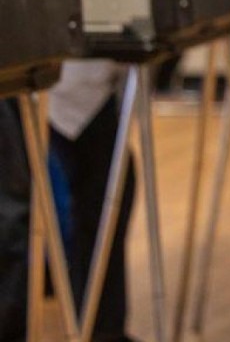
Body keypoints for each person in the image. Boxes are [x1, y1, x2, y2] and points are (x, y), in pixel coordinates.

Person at [0, 61, 137, 342]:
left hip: (87, 70)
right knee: (16, 216)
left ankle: (103, 328)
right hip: (26, 69)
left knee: (112, 191)